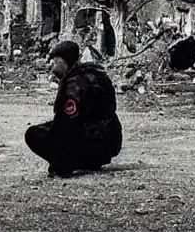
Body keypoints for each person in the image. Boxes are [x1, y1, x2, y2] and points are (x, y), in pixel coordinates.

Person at [25, 41, 123, 177]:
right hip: (109, 141)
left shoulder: (73, 83)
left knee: (33, 134)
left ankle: (65, 164)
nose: (52, 68)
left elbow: (67, 122)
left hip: (93, 142)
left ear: (62, 61)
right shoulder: (96, 74)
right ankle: (88, 161)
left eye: (55, 62)